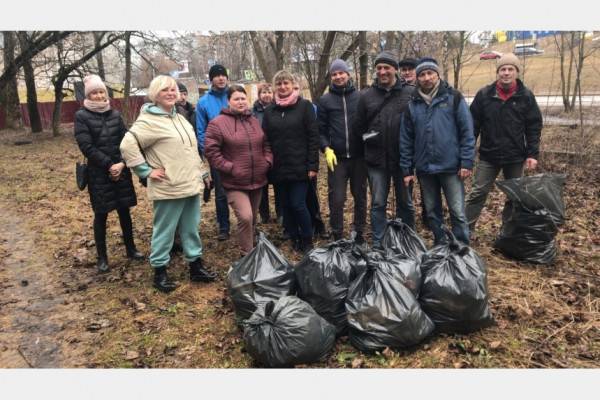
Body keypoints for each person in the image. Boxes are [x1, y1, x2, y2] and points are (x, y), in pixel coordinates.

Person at [120, 75, 216, 293]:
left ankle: (195, 266)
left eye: (173, 89)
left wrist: (202, 172)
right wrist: (145, 171)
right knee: (164, 231)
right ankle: (160, 271)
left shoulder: (180, 118)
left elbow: (190, 150)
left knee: (191, 229)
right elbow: (127, 145)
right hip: (168, 186)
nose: (171, 93)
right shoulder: (148, 120)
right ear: (155, 94)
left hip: (190, 184)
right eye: (165, 90)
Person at [400, 57, 475, 245]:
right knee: (433, 212)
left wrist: (466, 161)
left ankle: (462, 248)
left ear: (437, 74)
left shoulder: (453, 98)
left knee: (457, 211)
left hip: (451, 167)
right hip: (425, 169)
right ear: (417, 78)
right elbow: (406, 139)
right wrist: (407, 169)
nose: (426, 78)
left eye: (430, 73)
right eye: (422, 74)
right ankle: (441, 245)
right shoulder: (412, 104)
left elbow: (467, 131)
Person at [465, 53, 543, 234]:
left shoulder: (526, 96)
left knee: (514, 197)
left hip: (515, 156)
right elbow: (472, 127)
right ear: (497, 72)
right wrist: (467, 155)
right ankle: (464, 232)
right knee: (477, 193)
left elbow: (533, 126)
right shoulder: (484, 95)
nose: (506, 73)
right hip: (488, 156)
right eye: (502, 69)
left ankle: (507, 234)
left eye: (510, 69)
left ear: (516, 72)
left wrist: (532, 154)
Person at [74, 75, 143, 273]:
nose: (98, 95)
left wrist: (121, 163)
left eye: (101, 91)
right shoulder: (81, 116)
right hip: (98, 173)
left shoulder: (115, 114)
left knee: (124, 210)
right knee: (101, 214)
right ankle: (102, 257)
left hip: (120, 169)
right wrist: (109, 165)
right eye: (94, 92)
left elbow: (126, 140)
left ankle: (131, 249)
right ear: (88, 95)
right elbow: (86, 146)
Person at [353, 50, 415, 249]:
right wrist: (370, 138)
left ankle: (407, 242)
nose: (382, 71)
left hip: (403, 160)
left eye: (386, 67)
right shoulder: (366, 96)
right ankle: (379, 243)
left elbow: (417, 125)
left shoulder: (410, 93)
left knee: (406, 203)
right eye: (379, 68)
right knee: (378, 203)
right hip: (376, 161)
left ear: (395, 70)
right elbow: (358, 128)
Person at [205, 85, 273, 257]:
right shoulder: (217, 123)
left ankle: (253, 251)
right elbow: (212, 152)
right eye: (236, 99)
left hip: (257, 179)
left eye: (243, 98)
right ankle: (247, 257)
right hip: (234, 181)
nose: (241, 102)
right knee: (245, 217)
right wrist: (230, 168)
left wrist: (267, 161)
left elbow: (265, 144)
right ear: (229, 101)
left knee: (253, 218)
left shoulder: (254, 121)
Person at [262, 70, 319, 252]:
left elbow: (313, 137)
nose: (283, 87)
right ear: (274, 87)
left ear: (292, 84)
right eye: (279, 84)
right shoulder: (270, 110)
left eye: (286, 83)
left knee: (298, 203)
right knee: (285, 205)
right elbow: (266, 139)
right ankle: (293, 236)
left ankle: (307, 238)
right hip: (279, 167)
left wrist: (313, 165)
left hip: (300, 167)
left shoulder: (305, 106)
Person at [317, 59, 366, 243]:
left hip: (359, 157)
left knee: (360, 195)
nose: (338, 77)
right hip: (336, 158)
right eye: (334, 74)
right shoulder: (325, 100)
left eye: (341, 73)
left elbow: (368, 123)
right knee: (336, 198)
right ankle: (337, 233)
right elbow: (320, 130)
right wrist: (325, 148)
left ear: (348, 74)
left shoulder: (361, 97)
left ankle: (359, 232)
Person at [196, 64, 231, 241]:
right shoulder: (203, 102)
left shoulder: (233, 96)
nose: (220, 78)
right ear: (211, 80)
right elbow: (201, 131)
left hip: (236, 151)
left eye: (223, 75)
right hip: (217, 153)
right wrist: (209, 153)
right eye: (216, 76)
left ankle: (247, 222)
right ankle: (224, 225)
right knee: (221, 193)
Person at [252, 83, 281, 224]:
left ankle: (281, 213)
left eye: (269, 92)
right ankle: (264, 215)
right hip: (260, 153)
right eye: (264, 92)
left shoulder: (278, 108)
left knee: (279, 185)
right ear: (259, 95)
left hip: (277, 152)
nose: (267, 95)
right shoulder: (253, 112)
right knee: (262, 186)